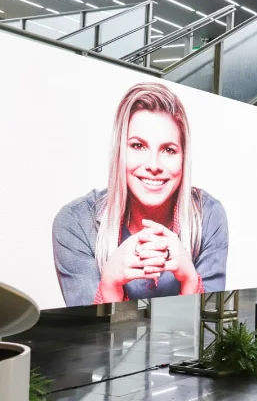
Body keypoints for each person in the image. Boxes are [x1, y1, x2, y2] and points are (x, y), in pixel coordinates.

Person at [53, 82, 228, 306]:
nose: (153, 165)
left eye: (168, 150)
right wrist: (110, 286)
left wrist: (190, 281)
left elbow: (208, 324)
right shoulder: (75, 222)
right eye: (137, 146)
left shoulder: (209, 215)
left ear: (184, 157)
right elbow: (88, 332)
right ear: (119, 152)